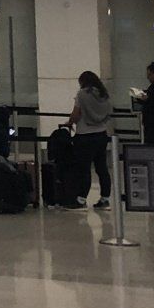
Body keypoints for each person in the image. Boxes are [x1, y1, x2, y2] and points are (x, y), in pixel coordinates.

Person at [65, 69, 115, 208]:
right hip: (101, 134)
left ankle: (81, 199)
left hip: (84, 135)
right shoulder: (104, 94)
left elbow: (76, 114)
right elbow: (109, 113)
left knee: (84, 168)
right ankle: (105, 198)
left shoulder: (82, 94)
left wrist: (69, 122)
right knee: (102, 168)